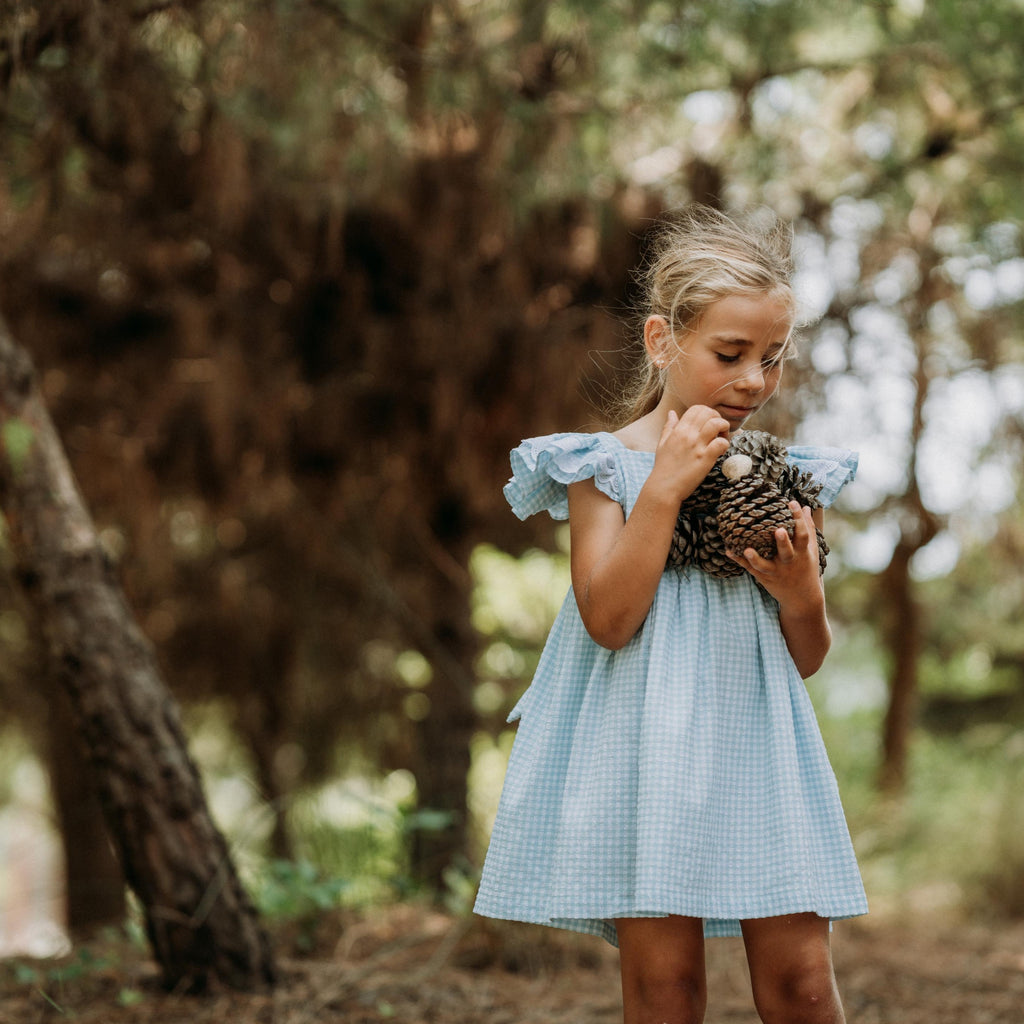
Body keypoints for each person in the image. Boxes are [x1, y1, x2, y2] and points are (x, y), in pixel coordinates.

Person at [473, 204, 868, 1024]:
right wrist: (663, 487)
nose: (753, 381)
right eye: (730, 355)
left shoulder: (789, 479)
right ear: (663, 343)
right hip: (642, 756)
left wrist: (802, 596)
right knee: (666, 990)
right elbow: (608, 619)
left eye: (772, 358)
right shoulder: (602, 469)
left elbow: (806, 655)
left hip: (760, 748)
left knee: (801, 983)